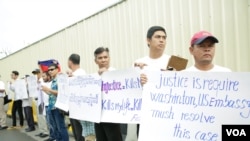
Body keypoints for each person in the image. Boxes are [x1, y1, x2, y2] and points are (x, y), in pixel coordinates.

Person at [127, 26, 171, 141]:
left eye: (164, 37)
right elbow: (131, 91)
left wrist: (174, 76)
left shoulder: (173, 61)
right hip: (145, 116)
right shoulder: (138, 63)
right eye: (158, 37)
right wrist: (138, 81)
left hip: (167, 116)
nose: (162, 40)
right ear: (148, 40)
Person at [93, 47, 123, 141]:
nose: (103, 60)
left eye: (105, 57)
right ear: (95, 61)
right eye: (100, 58)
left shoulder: (116, 73)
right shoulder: (94, 77)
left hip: (112, 116)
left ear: (109, 58)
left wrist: (108, 75)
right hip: (98, 116)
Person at [67, 53, 95, 141]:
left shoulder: (80, 73)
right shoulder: (74, 73)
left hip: (79, 109)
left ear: (70, 62)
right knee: (77, 132)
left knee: (80, 133)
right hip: (74, 108)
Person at [41, 63, 69, 141]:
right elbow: (52, 94)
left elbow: (61, 93)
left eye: (52, 69)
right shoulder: (53, 80)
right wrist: (46, 90)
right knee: (55, 127)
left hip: (58, 107)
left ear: (57, 69)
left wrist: (49, 89)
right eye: (49, 70)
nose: (50, 71)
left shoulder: (60, 79)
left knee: (61, 127)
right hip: (51, 106)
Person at [32, 69, 50, 138]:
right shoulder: (35, 82)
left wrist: (39, 83)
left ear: (40, 73)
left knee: (42, 117)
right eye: (34, 74)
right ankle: (41, 130)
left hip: (43, 101)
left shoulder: (43, 80)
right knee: (39, 117)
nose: (36, 75)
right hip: (37, 100)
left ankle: (45, 131)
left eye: (37, 73)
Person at [41, 71, 55, 141]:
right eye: (42, 76)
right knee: (49, 122)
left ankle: (54, 137)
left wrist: (46, 90)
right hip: (45, 105)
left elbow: (51, 93)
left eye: (44, 76)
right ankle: (52, 136)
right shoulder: (43, 83)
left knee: (52, 123)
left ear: (48, 76)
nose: (42, 78)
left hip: (50, 105)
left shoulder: (51, 83)